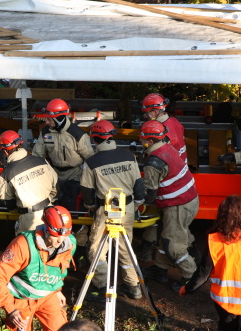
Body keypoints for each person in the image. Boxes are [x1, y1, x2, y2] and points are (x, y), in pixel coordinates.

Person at [80, 120, 145, 302]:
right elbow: (139, 186)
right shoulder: (129, 156)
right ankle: (134, 288)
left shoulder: (92, 162)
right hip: (128, 207)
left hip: (106, 209)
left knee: (96, 249)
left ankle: (102, 286)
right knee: (126, 248)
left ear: (95, 138)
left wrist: (92, 208)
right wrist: (136, 204)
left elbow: (87, 192)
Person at [179, 195, 241, 331]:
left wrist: (187, 289)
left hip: (225, 300)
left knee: (227, 326)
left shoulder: (214, 240)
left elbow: (202, 274)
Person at [0, 205, 76, 331]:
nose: (60, 241)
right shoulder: (23, 244)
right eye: (55, 235)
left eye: (65, 235)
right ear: (46, 229)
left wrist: (57, 290)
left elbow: (58, 268)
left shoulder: (69, 244)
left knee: (60, 329)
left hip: (48, 296)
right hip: (20, 299)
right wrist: (10, 309)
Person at [32, 98, 94, 265]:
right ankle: (53, 249)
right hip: (54, 177)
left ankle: (79, 250)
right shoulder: (45, 132)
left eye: (49, 119)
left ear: (59, 118)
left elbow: (91, 160)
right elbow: (37, 156)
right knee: (53, 213)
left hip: (75, 177)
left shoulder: (78, 135)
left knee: (77, 215)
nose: (46, 122)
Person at [139, 120, 199, 292]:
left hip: (177, 205)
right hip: (188, 200)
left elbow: (149, 195)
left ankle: (191, 276)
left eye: (142, 138)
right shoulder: (166, 147)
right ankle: (160, 269)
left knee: (172, 244)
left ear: (150, 141)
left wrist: (135, 201)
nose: (140, 140)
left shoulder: (153, 162)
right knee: (167, 236)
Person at [137, 93, 193, 263]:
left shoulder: (161, 132)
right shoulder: (173, 122)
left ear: (155, 111)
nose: (145, 116)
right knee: (170, 227)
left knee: (165, 226)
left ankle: (148, 252)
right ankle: (155, 260)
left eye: (147, 113)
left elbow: (160, 156)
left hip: (169, 181)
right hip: (178, 175)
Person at [0, 130, 57, 236]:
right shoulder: (41, 160)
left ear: (5, 151)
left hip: (29, 219)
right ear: (21, 143)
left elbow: (8, 203)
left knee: (28, 249)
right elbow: (55, 185)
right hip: (50, 212)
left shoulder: (6, 174)